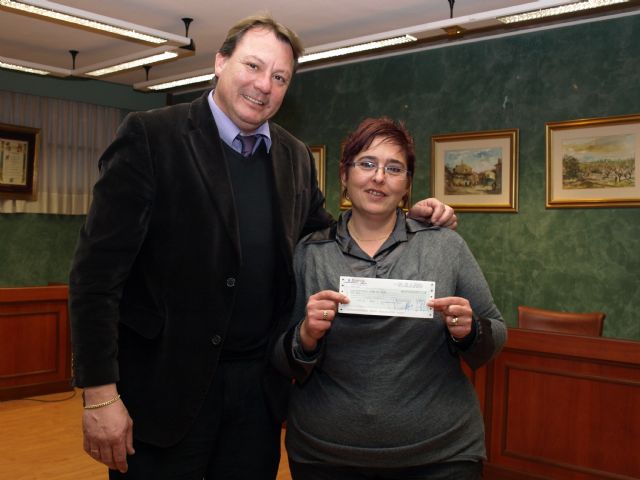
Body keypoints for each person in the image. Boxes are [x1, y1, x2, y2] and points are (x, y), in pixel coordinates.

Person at [68, 14, 457, 480]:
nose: (263, 85)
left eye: (279, 77)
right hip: (164, 392)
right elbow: (95, 278)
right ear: (220, 62)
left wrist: (403, 220)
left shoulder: (293, 156)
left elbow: (329, 237)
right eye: (253, 67)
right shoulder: (152, 137)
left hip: (257, 396)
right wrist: (99, 393)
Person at [273, 117, 507, 480]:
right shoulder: (309, 253)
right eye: (366, 163)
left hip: (441, 456)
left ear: (407, 185)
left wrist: (469, 330)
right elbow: (278, 356)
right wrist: (305, 335)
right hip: (326, 457)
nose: (379, 177)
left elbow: (494, 335)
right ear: (345, 175)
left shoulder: (444, 246)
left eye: (394, 168)